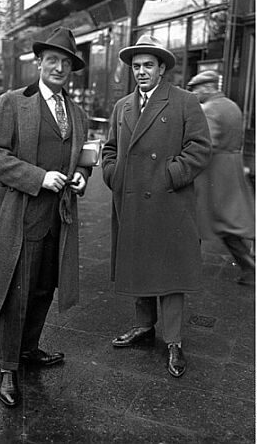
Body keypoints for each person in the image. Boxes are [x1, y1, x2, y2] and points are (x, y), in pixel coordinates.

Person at [0, 27, 91, 407]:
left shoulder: (77, 113)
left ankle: (28, 349)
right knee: (16, 291)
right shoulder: (11, 103)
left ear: (72, 69)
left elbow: (84, 160)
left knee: (43, 288)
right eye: (52, 60)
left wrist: (81, 176)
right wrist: (38, 177)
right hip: (20, 217)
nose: (59, 67)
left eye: (66, 63)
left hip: (58, 217)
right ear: (39, 63)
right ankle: (8, 368)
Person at [102, 34, 212, 378]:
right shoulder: (123, 107)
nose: (141, 71)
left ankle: (175, 340)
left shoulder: (184, 101)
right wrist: (113, 175)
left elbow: (199, 148)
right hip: (132, 197)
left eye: (148, 65)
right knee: (139, 265)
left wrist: (171, 174)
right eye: (136, 66)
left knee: (171, 273)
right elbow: (109, 149)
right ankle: (144, 327)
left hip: (169, 201)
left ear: (162, 68)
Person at [187, 70, 255, 286]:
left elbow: (205, 144)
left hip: (214, 174)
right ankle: (249, 267)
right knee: (230, 221)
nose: (194, 94)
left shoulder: (209, 109)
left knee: (202, 218)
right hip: (232, 168)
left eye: (196, 89)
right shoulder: (232, 105)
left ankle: (251, 269)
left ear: (207, 87)